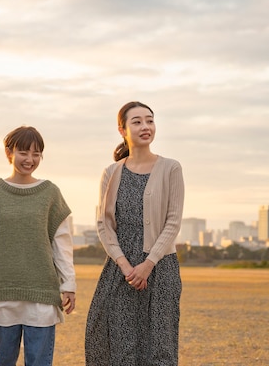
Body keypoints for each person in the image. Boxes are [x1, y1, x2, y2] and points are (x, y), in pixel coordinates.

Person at [85, 101, 185, 365]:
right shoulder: (111, 171)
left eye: (150, 120)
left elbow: (173, 222)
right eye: (137, 121)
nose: (145, 127)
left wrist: (148, 264)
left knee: (159, 344)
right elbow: (103, 223)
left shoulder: (171, 168)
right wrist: (125, 265)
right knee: (111, 338)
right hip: (120, 268)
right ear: (122, 130)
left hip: (161, 268)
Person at [0, 125, 76, 366]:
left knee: (39, 362)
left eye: (36, 154)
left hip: (42, 295)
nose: (30, 159)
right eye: (24, 152)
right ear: (9, 153)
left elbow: (62, 245)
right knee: (3, 361)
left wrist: (69, 283)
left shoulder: (51, 194)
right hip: (1, 295)